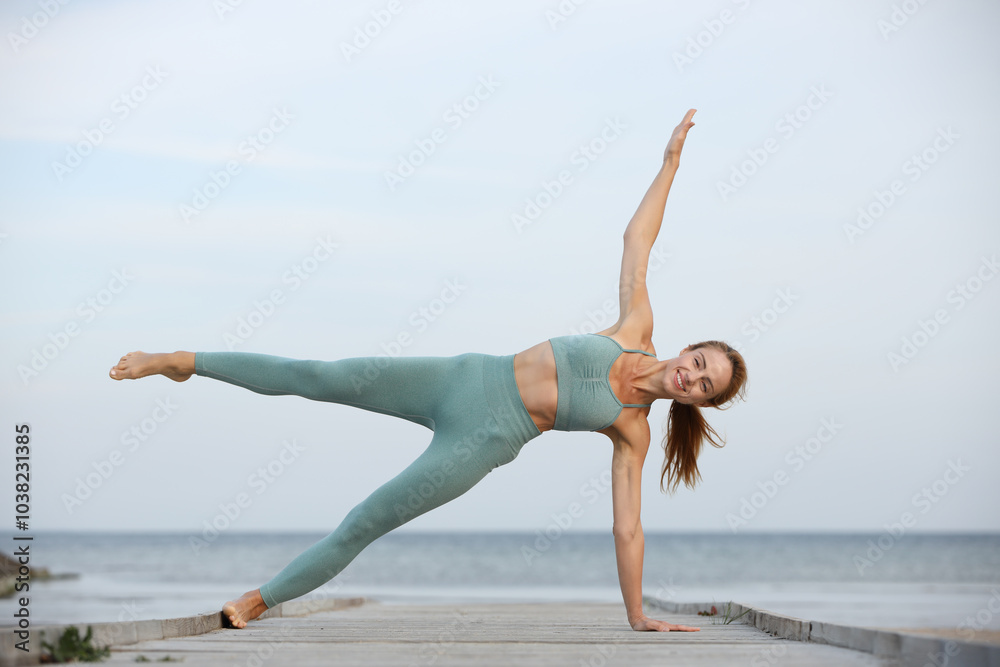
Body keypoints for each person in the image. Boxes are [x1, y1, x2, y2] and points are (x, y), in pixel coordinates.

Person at [108, 108, 748, 632]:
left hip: (482, 442)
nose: (693, 376)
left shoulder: (632, 433)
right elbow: (638, 240)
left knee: (367, 519)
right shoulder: (634, 326)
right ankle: (181, 362)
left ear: (701, 404)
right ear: (689, 349)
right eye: (700, 362)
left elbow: (628, 527)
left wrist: (637, 615)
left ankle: (257, 599)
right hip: (461, 377)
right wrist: (669, 164)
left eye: (706, 385)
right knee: (319, 374)